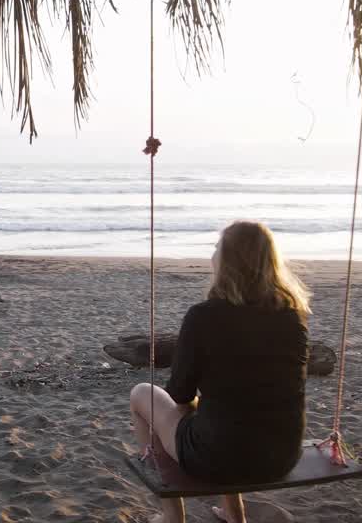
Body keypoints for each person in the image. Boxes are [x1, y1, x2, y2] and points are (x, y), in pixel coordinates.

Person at [129, 221, 311, 523]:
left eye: (217, 248)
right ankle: (233, 514)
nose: (213, 254)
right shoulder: (292, 317)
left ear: (227, 261)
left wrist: (192, 416)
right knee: (225, 418)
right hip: (281, 457)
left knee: (142, 395)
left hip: (217, 459)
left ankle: (172, 517)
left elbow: (180, 394)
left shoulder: (203, 316)